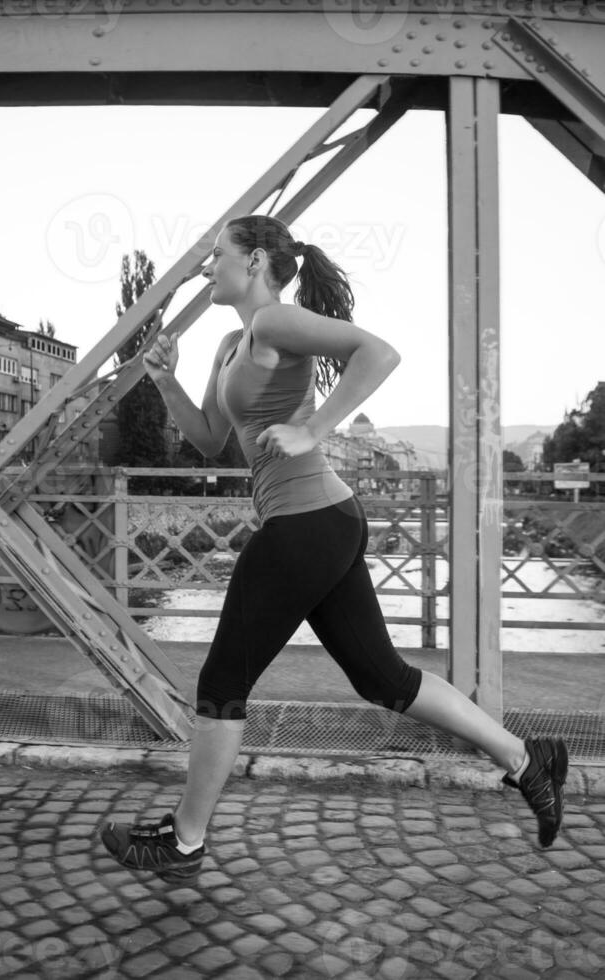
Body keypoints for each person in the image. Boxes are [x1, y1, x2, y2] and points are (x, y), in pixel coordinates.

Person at [100, 214, 568, 880]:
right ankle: (528, 760)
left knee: (222, 682)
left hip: (306, 522)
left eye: (216, 256)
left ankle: (184, 841)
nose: (206, 268)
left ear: (255, 260)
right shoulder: (232, 341)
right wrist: (165, 380)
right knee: (383, 678)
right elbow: (207, 438)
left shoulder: (272, 324)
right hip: (322, 519)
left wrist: (312, 427)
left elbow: (377, 352)